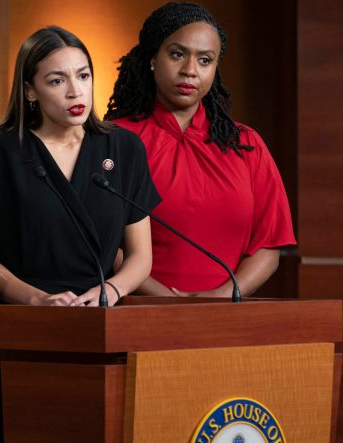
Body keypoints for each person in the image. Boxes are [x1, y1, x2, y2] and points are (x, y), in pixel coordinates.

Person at [105, 2, 296, 298]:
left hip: (226, 319)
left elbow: (268, 246)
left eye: (205, 60)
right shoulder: (115, 140)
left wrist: (220, 298)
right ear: (153, 58)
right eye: (177, 54)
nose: (190, 70)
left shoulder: (247, 144)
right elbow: (104, 241)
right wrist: (165, 301)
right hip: (138, 314)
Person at [0, 26, 159, 307]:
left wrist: (112, 291)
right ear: (30, 91)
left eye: (83, 76)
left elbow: (141, 256)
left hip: (101, 316)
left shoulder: (124, 148)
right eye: (57, 81)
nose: (75, 91)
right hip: (20, 318)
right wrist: (37, 299)